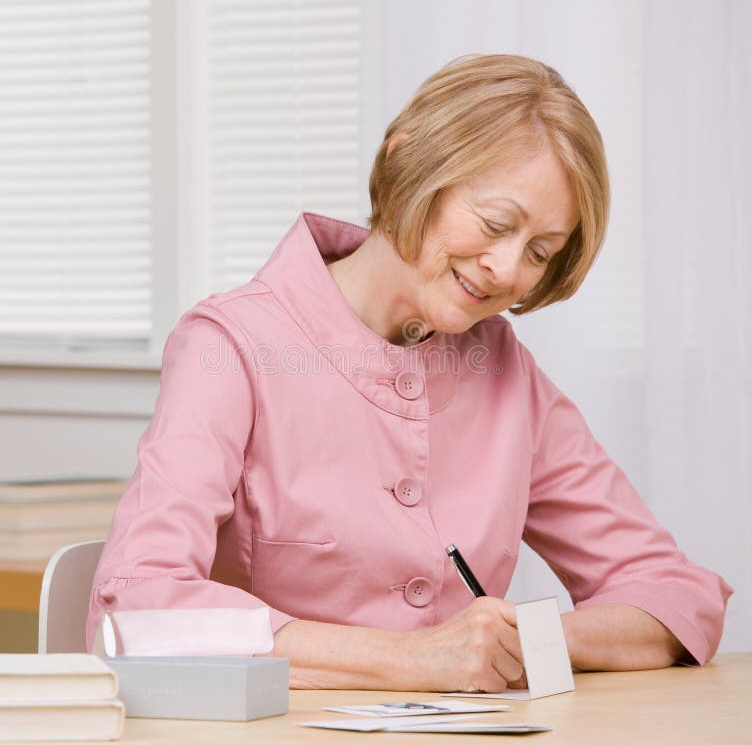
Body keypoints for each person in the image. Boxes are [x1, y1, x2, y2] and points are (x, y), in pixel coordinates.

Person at [86, 54, 732, 691]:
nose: (508, 270)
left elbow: (675, 595)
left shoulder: (502, 368)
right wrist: (408, 658)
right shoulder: (229, 347)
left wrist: (519, 642)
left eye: (540, 252)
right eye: (495, 223)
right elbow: (136, 604)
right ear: (407, 162)